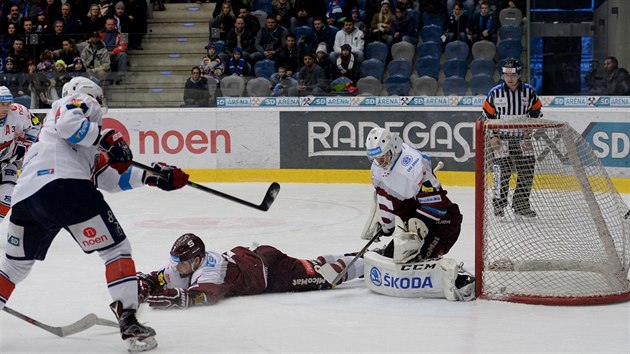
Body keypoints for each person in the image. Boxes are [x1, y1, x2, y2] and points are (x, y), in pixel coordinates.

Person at [0, 77, 189, 352]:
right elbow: (70, 123)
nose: (99, 105)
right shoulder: (77, 103)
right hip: (66, 187)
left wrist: (153, 176)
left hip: (26, 201)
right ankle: (129, 320)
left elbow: (110, 178)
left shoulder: (62, 140)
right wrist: (108, 138)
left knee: (14, 267)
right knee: (116, 250)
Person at [136, 233, 364, 309]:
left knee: (326, 277)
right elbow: (156, 277)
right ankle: (359, 256)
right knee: (315, 266)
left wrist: (182, 299)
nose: (176, 266)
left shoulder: (212, 270)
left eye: (181, 262)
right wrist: (145, 284)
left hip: (273, 271)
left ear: (197, 260)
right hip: (255, 257)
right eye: (175, 261)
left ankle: (368, 264)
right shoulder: (184, 265)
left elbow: (207, 295)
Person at [481, 58, 542, 218]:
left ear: (519, 74)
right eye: (506, 75)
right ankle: (499, 206)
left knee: (527, 172)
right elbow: (487, 116)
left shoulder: (529, 91)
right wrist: (493, 135)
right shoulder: (495, 92)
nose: (509, 78)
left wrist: (531, 125)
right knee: (501, 173)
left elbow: (536, 110)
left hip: (523, 140)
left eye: (513, 75)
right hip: (501, 140)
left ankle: (521, 205)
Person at [0, 86, 40, 222]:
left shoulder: (18, 112)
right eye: (1, 104)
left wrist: (24, 144)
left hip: (7, 160)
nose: (6, 108)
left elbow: (35, 127)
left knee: (7, 195)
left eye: (8, 104)